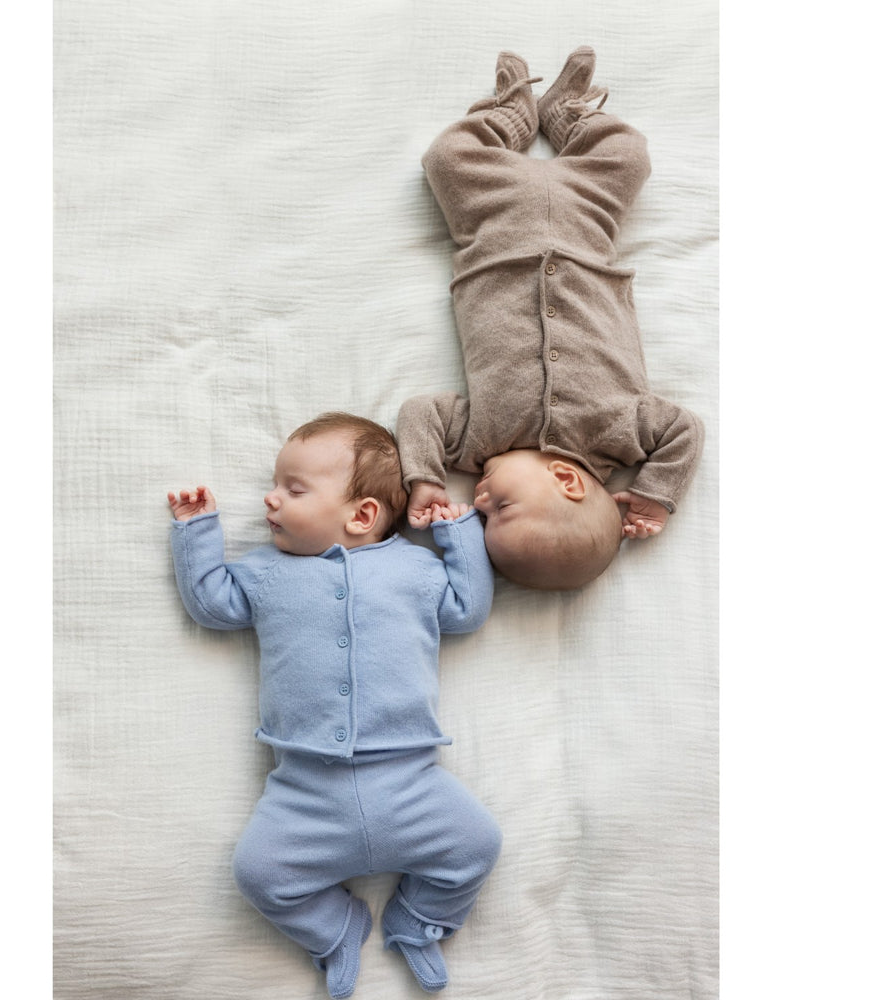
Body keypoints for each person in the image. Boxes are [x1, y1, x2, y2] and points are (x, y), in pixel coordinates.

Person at [167, 412, 501, 998]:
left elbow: (467, 609)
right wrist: (197, 531)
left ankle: (417, 918)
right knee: (257, 874)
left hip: (411, 782)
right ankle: (336, 927)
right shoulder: (267, 572)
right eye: (276, 485)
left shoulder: (415, 569)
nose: (270, 498)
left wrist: (458, 532)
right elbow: (213, 606)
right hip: (305, 791)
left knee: (478, 845)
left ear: (362, 515)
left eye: (294, 489)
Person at [397, 47, 704, 591]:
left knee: (446, 157)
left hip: (490, 223)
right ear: (567, 481)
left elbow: (420, 413)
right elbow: (685, 430)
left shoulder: (480, 441)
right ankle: (568, 116)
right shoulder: (622, 434)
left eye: (483, 518)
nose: (479, 503)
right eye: (501, 508)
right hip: (589, 218)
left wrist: (424, 478)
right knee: (630, 154)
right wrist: (657, 493)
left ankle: (508, 118)